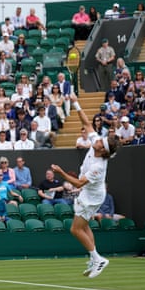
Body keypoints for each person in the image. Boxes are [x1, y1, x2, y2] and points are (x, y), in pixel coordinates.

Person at [51, 93, 119, 278]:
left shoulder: (98, 167)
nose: (95, 140)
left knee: (75, 229)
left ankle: (98, 259)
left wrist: (61, 172)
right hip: (88, 193)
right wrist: (76, 103)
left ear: (102, 149)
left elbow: (80, 182)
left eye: (99, 141)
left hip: (92, 197)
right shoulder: (97, 145)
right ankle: (94, 257)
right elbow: (87, 123)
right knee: (84, 226)